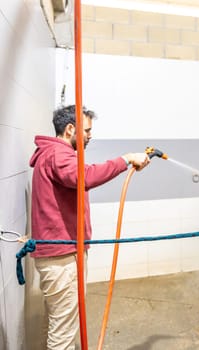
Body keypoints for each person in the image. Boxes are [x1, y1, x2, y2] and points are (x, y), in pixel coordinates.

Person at [29, 105, 150, 349]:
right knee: (63, 335)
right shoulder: (58, 155)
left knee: (60, 326)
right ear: (70, 129)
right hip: (62, 260)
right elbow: (85, 176)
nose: (90, 136)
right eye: (87, 130)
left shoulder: (53, 153)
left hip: (60, 255)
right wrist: (125, 159)